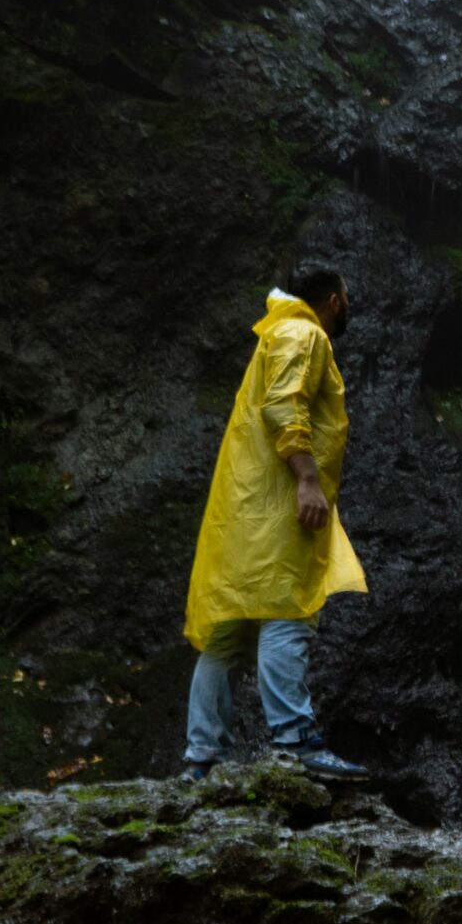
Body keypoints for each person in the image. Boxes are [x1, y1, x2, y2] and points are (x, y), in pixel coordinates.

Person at [180, 263, 372, 781]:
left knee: (229, 633)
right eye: (346, 298)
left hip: (243, 513)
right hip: (280, 506)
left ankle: (202, 759)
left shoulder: (278, 332)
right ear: (333, 299)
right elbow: (284, 406)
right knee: (289, 609)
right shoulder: (304, 333)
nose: (347, 307)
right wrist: (308, 480)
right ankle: (297, 742)